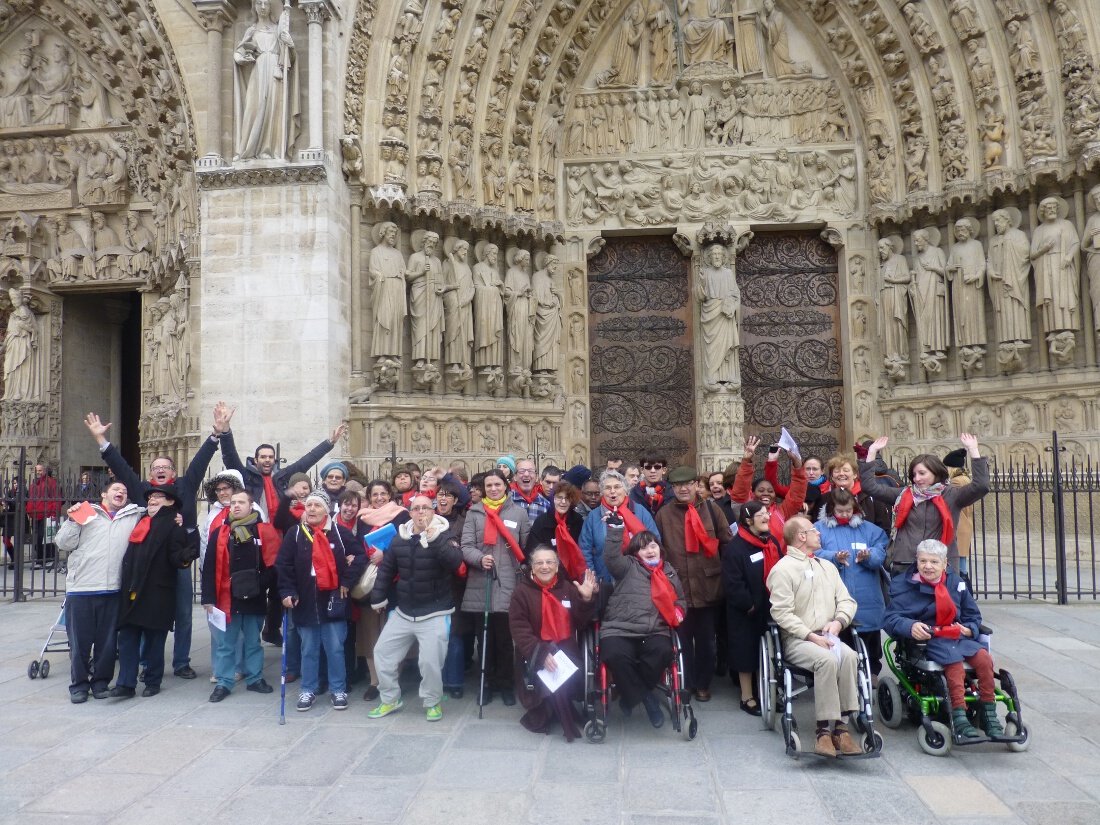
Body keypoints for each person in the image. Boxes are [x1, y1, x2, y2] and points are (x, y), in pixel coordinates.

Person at [85, 403, 232, 679]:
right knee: (146, 614)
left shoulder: (185, 488)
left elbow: (200, 462)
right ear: (151, 474)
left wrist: (216, 434)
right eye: (156, 467)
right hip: (150, 567)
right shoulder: (143, 492)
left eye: (166, 467)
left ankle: (181, 662)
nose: (161, 470)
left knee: (184, 615)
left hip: (177, 563)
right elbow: (121, 467)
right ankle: (146, 663)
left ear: (173, 473)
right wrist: (101, 440)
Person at [884, 539, 1003, 741]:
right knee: (954, 663)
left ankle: (989, 714)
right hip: (929, 641)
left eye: (933, 562)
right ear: (917, 561)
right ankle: (959, 715)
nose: (927, 566)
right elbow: (890, 618)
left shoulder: (956, 583)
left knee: (984, 659)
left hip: (958, 636)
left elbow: (973, 615)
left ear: (945, 563)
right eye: (923, 561)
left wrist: (970, 628)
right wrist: (910, 626)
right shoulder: (904, 585)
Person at [767, 516, 862, 757]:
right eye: (813, 531)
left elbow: (847, 600)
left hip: (829, 634)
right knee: (826, 660)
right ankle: (822, 732)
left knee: (850, 656)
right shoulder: (783, 569)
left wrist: (839, 621)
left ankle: (841, 728)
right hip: (798, 639)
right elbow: (781, 612)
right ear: (801, 537)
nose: (819, 534)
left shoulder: (827, 566)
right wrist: (810, 635)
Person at [366, 495, 464, 721]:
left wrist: (435, 540)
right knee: (382, 653)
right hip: (404, 611)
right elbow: (387, 569)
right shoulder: (399, 538)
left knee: (430, 662)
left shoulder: (445, 534)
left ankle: (432, 702)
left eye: (425, 508)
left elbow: (455, 562)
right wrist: (378, 597)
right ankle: (390, 699)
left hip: (435, 611)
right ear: (410, 513)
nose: (421, 512)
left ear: (433, 512)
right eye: (416, 508)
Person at [276, 490, 366, 712]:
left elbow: (361, 556)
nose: (312, 509)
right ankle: (308, 689)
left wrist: (347, 580)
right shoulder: (295, 534)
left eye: (317, 506)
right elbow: (283, 565)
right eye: (309, 506)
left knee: (335, 648)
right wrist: (287, 592)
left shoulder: (339, 533)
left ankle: (338, 689)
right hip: (305, 601)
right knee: (309, 649)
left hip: (333, 600)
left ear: (326, 510)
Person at [55, 481, 141, 702]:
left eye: (124, 490)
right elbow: (63, 543)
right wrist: (73, 520)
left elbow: (157, 512)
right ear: (104, 494)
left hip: (112, 589)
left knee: (107, 643)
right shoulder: (86, 511)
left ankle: (101, 683)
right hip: (82, 588)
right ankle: (79, 685)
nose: (121, 492)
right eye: (115, 489)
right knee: (80, 643)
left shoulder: (132, 515)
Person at [861, 433, 989, 574]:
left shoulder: (952, 495)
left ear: (935, 473)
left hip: (940, 565)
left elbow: (980, 486)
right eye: (914, 474)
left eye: (922, 473)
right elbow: (870, 486)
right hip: (905, 563)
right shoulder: (904, 494)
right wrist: (872, 452)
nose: (917, 478)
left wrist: (974, 450)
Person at [654, 466, 730, 701]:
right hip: (679, 588)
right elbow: (658, 550)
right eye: (678, 485)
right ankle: (685, 682)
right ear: (672, 488)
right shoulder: (664, 514)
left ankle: (703, 683)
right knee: (683, 640)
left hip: (708, 585)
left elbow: (726, 542)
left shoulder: (711, 509)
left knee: (707, 640)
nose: (683, 488)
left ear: (696, 485)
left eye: (688, 484)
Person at [113, 485, 196, 698]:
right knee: (127, 637)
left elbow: (177, 557)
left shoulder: (173, 526)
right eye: (150, 497)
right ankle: (125, 683)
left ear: (170, 503)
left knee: (154, 640)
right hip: (132, 590)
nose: (152, 500)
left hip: (157, 593)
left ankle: (153, 680)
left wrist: (189, 552)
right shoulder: (141, 522)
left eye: (158, 497)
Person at [600, 522, 685, 728]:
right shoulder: (627, 565)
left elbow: (680, 600)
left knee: (663, 651)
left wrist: (678, 612)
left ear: (659, 548)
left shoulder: (669, 571)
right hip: (620, 627)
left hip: (655, 629)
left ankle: (630, 697)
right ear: (636, 552)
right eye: (644, 547)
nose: (650, 550)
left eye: (653, 545)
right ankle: (647, 698)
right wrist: (615, 530)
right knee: (613, 654)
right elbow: (611, 558)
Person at [509, 547, 598, 740]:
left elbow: (581, 622)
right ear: (532, 568)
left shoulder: (567, 588)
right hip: (533, 651)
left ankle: (561, 710)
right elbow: (519, 628)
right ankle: (558, 712)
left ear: (557, 567)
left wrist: (586, 598)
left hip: (566, 648)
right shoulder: (521, 592)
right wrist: (541, 653)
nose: (545, 566)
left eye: (550, 562)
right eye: (539, 562)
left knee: (563, 667)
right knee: (550, 669)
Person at [460, 469, 531, 706]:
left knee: (505, 637)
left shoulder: (518, 513)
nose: (493, 489)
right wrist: (480, 559)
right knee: (485, 637)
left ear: (506, 486)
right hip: (483, 582)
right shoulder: (474, 513)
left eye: (497, 485)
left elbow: (525, 546)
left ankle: (506, 683)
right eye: (488, 485)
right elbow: (466, 545)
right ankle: (487, 683)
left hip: (509, 581)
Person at [202, 491, 279, 702]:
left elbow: (273, 566)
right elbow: (209, 567)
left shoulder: (264, 531)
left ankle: (255, 678)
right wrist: (208, 598)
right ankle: (224, 682)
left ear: (251, 505)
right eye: (233, 502)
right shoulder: (220, 533)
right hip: (227, 598)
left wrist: (259, 585)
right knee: (227, 644)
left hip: (254, 597)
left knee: (253, 642)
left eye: (241, 502)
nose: (236, 506)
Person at [815, 488, 889, 681]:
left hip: (866, 594)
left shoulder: (870, 529)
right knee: (842, 635)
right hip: (834, 594)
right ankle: (844, 674)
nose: (845, 515)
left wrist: (869, 555)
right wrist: (833, 557)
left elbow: (881, 552)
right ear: (831, 509)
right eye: (840, 511)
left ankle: (872, 672)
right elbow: (814, 553)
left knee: (870, 636)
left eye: (849, 510)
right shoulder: (819, 530)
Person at [219, 422, 347, 522]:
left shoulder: (282, 476)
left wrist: (330, 442)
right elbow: (230, 456)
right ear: (255, 460)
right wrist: (225, 431)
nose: (267, 460)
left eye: (270, 457)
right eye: (263, 457)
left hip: (280, 531)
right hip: (256, 529)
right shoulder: (246, 476)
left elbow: (307, 460)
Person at [722, 501, 781, 715]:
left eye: (767, 513)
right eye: (761, 515)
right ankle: (747, 696)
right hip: (747, 611)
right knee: (746, 653)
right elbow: (733, 583)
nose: (767, 517)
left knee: (772, 650)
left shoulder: (772, 541)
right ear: (748, 520)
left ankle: (770, 691)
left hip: (772, 608)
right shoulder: (736, 548)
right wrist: (749, 604)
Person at [354, 479, 409, 701]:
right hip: (370, 581)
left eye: (383, 494)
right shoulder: (363, 517)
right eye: (374, 494)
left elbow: (407, 543)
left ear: (390, 495)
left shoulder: (402, 515)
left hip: (395, 581)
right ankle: (375, 681)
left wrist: (386, 555)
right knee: (371, 634)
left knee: (395, 634)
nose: (379, 498)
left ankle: (393, 679)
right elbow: (357, 545)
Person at [579, 470, 660, 585]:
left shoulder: (640, 511)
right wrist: (593, 580)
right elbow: (585, 550)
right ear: (602, 492)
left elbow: (655, 541)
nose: (613, 491)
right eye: (608, 488)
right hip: (606, 581)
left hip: (641, 580)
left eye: (617, 487)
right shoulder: (593, 517)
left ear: (626, 490)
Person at [729, 436, 806, 551]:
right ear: (752, 493)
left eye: (770, 491)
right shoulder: (746, 511)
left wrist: (798, 466)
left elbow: (797, 495)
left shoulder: (782, 512)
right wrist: (746, 461)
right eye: (761, 491)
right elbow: (739, 493)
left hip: (778, 563)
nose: (766, 494)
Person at [524, 481, 587, 579]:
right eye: (559, 497)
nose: (563, 502)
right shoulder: (542, 522)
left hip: (573, 574)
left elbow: (582, 549)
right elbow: (532, 551)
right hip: (547, 573)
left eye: (567, 498)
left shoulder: (577, 521)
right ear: (553, 499)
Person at [819, 452, 894, 533]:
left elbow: (884, 527)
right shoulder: (824, 498)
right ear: (832, 477)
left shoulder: (871, 496)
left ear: (855, 475)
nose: (841, 474)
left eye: (846, 470)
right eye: (837, 471)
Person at [943, 449, 975, 577]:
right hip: (964, 524)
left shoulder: (956, 482)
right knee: (962, 565)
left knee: (959, 569)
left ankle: (964, 593)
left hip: (958, 525)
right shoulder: (965, 479)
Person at [26, 463, 60, 570]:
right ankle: (40, 560)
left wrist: (54, 513)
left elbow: (56, 498)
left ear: (44, 471)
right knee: (37, 538)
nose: (38, 473)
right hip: (35, 515)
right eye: (36, 471)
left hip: (47, 514)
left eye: (40, 470)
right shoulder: (33, 484)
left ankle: (50, 559)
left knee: (46, 537)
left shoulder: (51, 482)